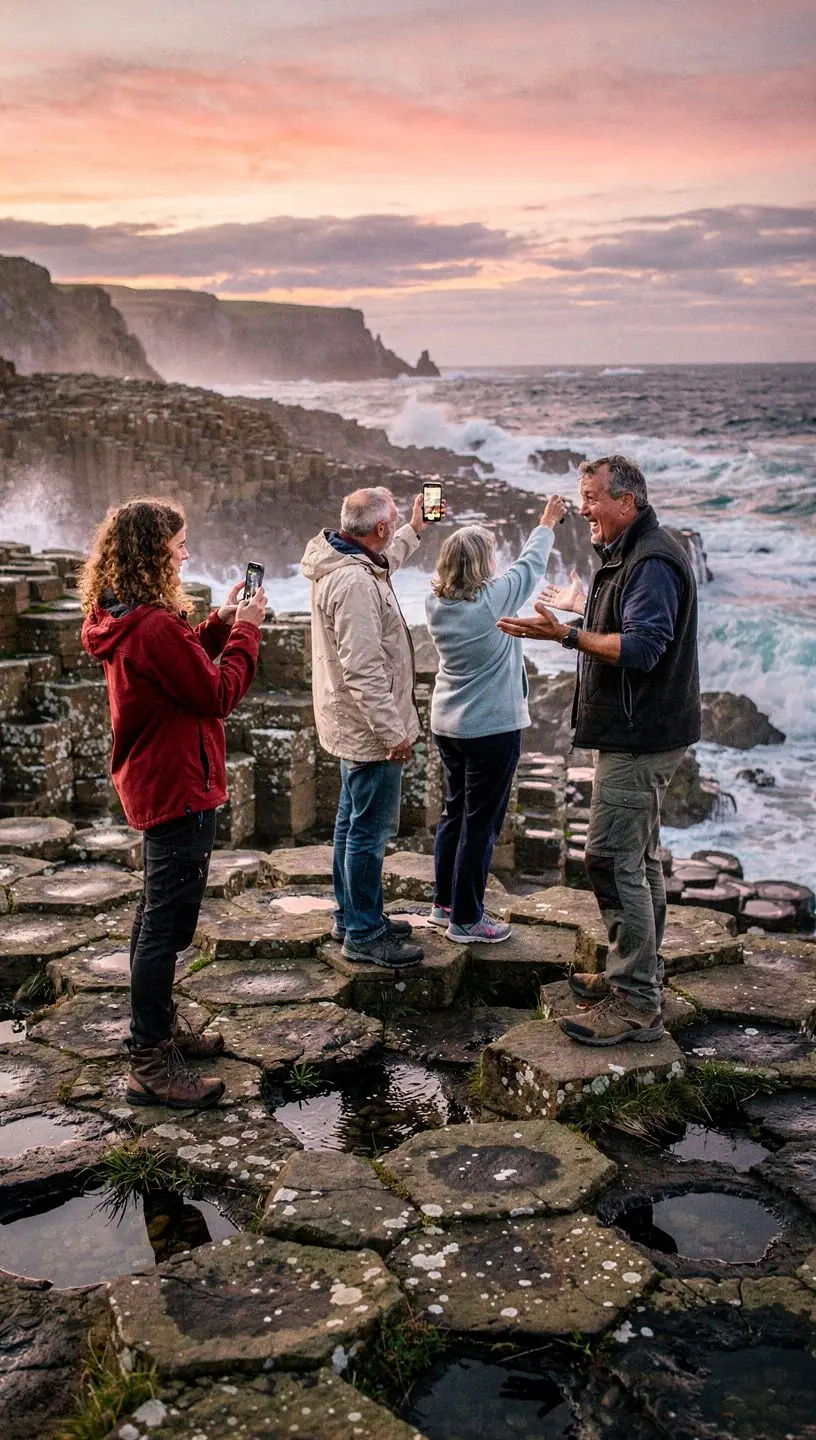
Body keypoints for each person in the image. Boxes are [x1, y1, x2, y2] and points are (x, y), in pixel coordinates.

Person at [498, 455, 701, 1044]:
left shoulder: (653, 559)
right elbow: (629, 621)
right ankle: (638, 973)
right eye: (581, 496)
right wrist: (581, 607)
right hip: (642, 731)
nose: (582, 508)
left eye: (591, 498)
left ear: (627, 502)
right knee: (637, 858)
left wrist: (565, 634)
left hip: (641, 737)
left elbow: (642, 649)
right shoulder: (630, 553)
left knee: (610, 859)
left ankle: (636, 1002)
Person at [80, 497, 266, 1107]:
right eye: (179, 544)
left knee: (159, 914)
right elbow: (214, 693)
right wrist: (247, 632)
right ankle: (148, 1062)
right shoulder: (153, 626)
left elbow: (179, 666)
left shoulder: (127, 616)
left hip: (158, 778)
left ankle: (156, 1031)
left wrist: (219, 621)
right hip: (178, 784)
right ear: (153, 552)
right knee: (166, 924)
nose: (186, 552)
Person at [301, 486, 434, 968]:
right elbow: (363, 669)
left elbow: (382, 564)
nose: (394, 525)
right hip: (368, 730)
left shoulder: (342, 559)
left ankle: (352, 914)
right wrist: (392, 731)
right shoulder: (355, 582)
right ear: (378, 528)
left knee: (350, 824)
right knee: (367, 833)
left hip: (348, 723)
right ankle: (363, 932)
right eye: (393, 520)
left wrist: (414, 531)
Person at [426, 495, 566, 941]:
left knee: (454, 814)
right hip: (490, 729)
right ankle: (467, 920)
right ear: (481, 567)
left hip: (448, 725)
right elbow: (529, 566)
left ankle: (444, 904)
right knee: (480, 824)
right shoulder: (492, 601)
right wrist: (547, 520)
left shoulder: (436, 606)